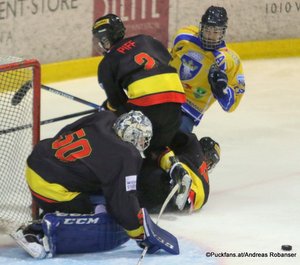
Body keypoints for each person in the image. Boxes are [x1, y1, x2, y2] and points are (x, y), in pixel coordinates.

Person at [11, 110, 179, 258]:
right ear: (132, 136)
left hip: (39, 157)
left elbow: (67, 129)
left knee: (97, 191)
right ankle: (35, 232)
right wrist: (139, 233)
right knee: (96, 213)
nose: (143, 144)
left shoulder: (103, 117)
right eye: (142, 139)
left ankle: (51, 211)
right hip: (48, 187)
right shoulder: (127, 155)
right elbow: (123, 201)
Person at [92, 13, 186, 158]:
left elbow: (117, 102)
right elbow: (169, 62)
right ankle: (171, 164)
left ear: (104, 39)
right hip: (176, 100)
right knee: (157, 149)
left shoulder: (107, 62)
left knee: (116, 129)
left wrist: (106, 109)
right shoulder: (146, 39)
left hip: (147, 107)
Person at [169, 6, 246, 133]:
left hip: (190, 109)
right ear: (201, 28)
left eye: (215, 32)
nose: (210, 36)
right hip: (166, 94)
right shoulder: (184, 37)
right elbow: (169, 60)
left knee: (178, 138)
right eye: (207, 30)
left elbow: (231, 105)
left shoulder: (230, 61)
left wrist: (221, 90)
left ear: (222, 33)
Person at [138, 132, 220, 213]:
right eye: (209, 161)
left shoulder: (193, 143)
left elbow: (163, 135)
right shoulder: (205, 192)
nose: (207, 164)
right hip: (161, 205)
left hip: (153, 178)